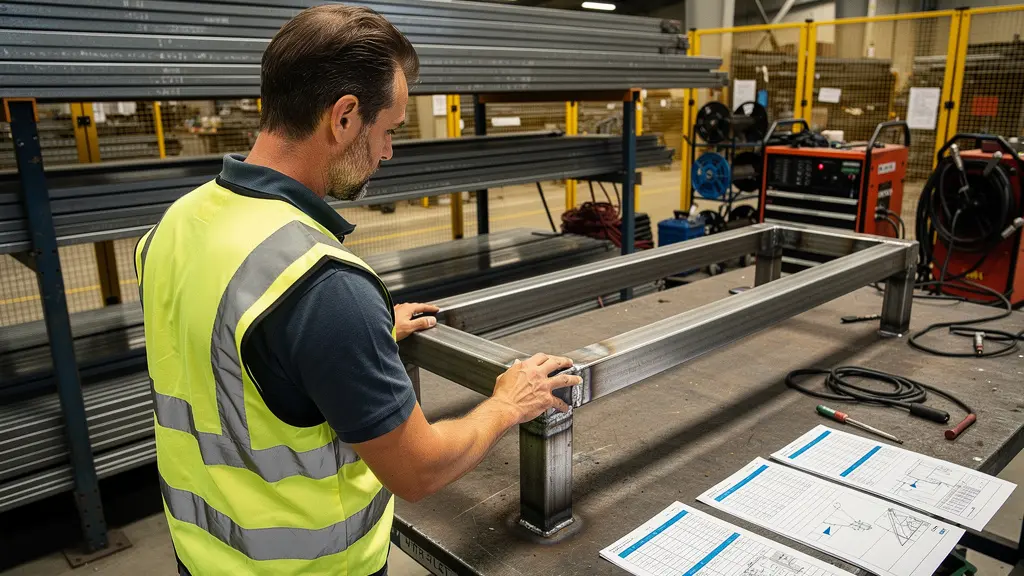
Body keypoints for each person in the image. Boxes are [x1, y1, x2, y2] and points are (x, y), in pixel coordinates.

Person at [134, 5, 581, 575]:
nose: (388, 151)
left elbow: (223, 355)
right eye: (389, 129)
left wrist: (338, 346)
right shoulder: (323, 287)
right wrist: (503, 405)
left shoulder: (174, 225)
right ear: (344, 116)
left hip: (203, 557)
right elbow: (418, 472)